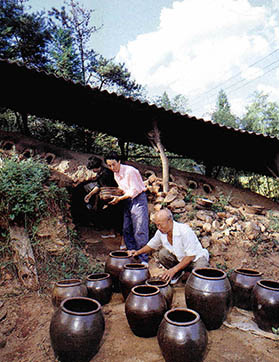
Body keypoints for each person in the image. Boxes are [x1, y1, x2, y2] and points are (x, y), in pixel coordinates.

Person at [128, 208, 209, 284]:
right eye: (156, 225)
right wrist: (137, 252)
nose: (158, 228)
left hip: (195, 260)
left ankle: (187, 273)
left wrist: (172, 270)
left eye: (160, 225)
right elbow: (151, 245)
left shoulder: (184, 231)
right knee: (162, 254)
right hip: (180, 260)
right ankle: (178, 274)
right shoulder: (161, 232)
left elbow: (190, 256)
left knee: (200, 279)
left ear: (169, 221)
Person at [104, 152, 149, 264]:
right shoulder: (116, 174)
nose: (112, 168)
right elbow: (123, 188)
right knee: (126, 229)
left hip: (138, 199)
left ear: (119, 161)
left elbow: (134, 190)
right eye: (109, 165)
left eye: (114, 164)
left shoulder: (130, 171)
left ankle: (144, 259)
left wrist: (119, 199)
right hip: (127, 200)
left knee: (140, 230)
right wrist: (115, 195)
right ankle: (132, 253)